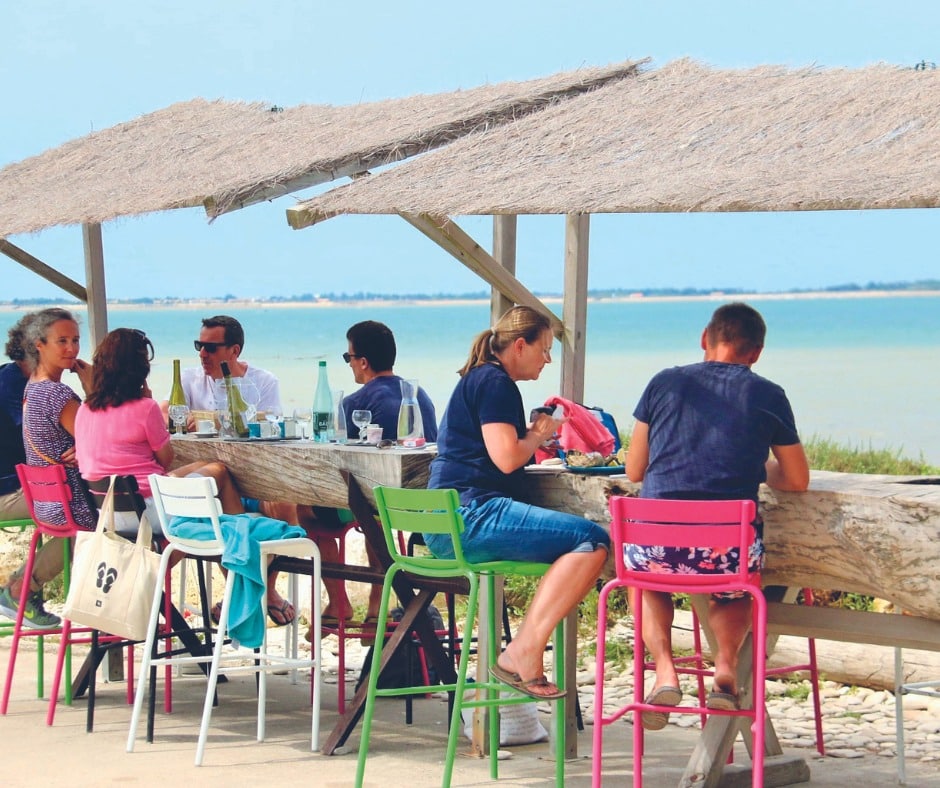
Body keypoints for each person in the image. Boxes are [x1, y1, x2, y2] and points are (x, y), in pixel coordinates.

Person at [624, 301, 810, 726]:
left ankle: (665, 671)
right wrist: (755, 465)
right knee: (736, 587)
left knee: (647, 579)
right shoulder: (769, 394)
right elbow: (797, 479)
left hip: (658, 546)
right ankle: (725, 666)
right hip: (725, 549)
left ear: (705, 340)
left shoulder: (663, 382)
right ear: (756, 353)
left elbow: (635, 469)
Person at [426, 305, 610, 699]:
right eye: (544, 349)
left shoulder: (478, 379)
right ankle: (523, 650)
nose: (547, 359)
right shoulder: (496, 383)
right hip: (471, 515)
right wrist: (539, 434)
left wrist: (530, 436)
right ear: (520, 346)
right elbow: (507, 458)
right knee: (592, 541)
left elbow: (494, 449)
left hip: (444, 520)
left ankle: (524, 648)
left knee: (583, 540)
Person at [74, 328, 245, 534]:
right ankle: (240, 549)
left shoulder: (85, 409)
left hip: (106, 512)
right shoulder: (145, 408)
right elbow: (165, 460)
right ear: (140, 369)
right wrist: (146, 399)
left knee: (203, 466)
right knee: (219, 472)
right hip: (148, 511)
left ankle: (224, 549)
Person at [0, 308, 94, 629]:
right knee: (107, 527)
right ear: (38, 345)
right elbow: (102, 437)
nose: (71, 349)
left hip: (49, 497)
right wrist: (94, 388)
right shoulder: (55, 392)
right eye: (62, 341)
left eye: (76, 340)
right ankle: (23, 589)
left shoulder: (33, 388)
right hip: (66, 503)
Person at [341, 320, 437, 442]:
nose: (349, 364)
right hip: (430, 460)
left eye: (348, 357)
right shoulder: (419, 395)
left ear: (363, 362)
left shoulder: (355, 404)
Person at [0, 315, 33, 524]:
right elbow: (40, 437)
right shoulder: (13, 384)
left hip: (15, 486)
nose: (72, 350)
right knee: (91, 508)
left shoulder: (9, 375)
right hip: (8, 491)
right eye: (61, 341)